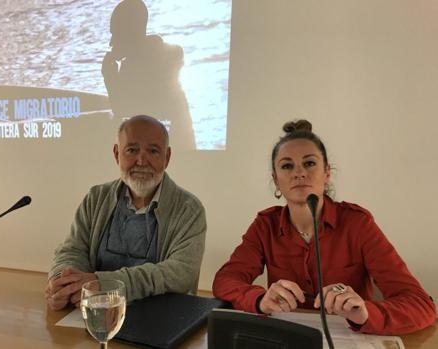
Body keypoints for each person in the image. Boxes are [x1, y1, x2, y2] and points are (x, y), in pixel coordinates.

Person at [212, 120, 436, 335]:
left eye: (309, 163)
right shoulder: (264, 225)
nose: (299, 172)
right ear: (276, 180)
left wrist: (366, 313)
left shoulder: (358, 223)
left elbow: (421, 305)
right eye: (287, 166)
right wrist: (260, 300)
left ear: (327, 173)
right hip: (287, 336)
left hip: (349, 337)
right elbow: (225, 281)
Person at [45, 115, 206, 310]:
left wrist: (105, 285)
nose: (141, 160)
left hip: (161, 322)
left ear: (167, 157)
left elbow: (180, 273)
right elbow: (73, 250)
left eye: (153, 151)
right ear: (116, 154)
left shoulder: (189, 210)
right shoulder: (96, 198)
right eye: (132, 150)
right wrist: (63, 282)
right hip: (94, 316)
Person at [101, 0, 195, 150]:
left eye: (115, 34)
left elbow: (126, 118)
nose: (111, 43)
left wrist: (110, 79)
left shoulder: (141, 68)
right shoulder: (146, 60)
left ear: (129, 34)